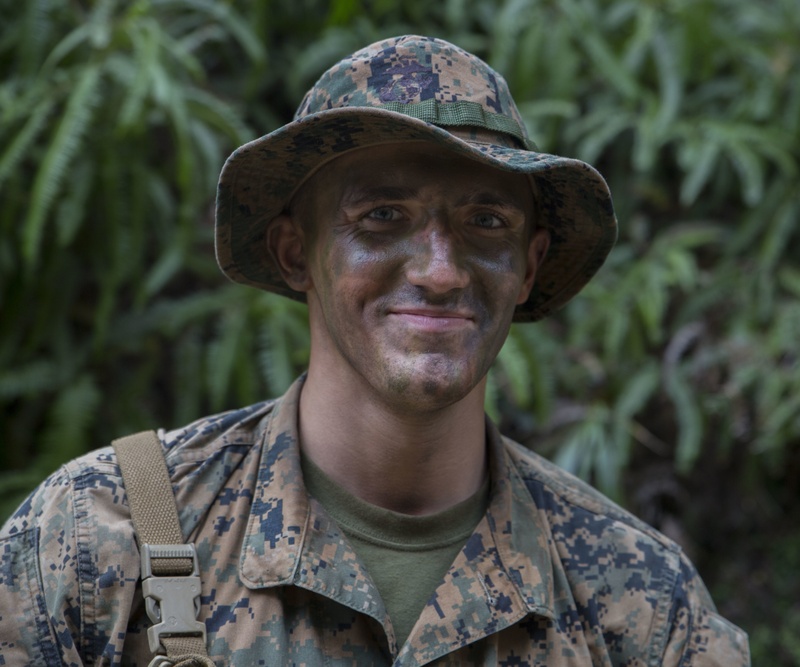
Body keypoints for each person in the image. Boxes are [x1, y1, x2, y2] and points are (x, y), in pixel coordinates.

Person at [0, 35, 750, 666]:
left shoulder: (638, 603)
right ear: (297, 253)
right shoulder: (105, 541)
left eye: (486, 222)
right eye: (382, 216)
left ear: (528, 264)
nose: (440, 270)